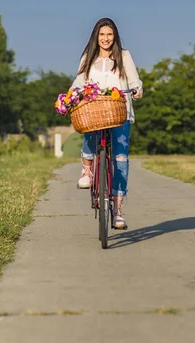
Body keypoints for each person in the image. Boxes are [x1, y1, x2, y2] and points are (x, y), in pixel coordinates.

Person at [69, 17, 143, 230]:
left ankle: (118, 211)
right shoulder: (88, 57)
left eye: (109, 35)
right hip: (95, 109)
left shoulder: (124, 56)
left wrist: (137, 89)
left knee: (120, 157)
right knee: (89, 130)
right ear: (96, 36)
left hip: (120, 110)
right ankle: (87, 171)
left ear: (115, 36)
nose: (106, 39)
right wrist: (74, 91)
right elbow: (79, 80)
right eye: (102, 35)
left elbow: (134, 79)